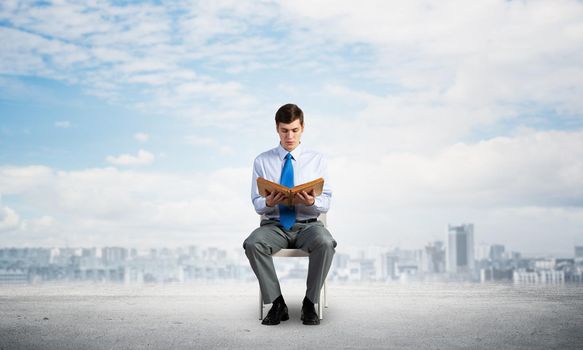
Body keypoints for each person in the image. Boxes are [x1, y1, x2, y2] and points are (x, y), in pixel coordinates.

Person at [243, 103, 337, 326]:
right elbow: (256, 203)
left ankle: (309, 303)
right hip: (274, 226)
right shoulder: (262, 161)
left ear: (302, 128)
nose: (289, 136)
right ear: (277, 129)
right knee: (252, 243)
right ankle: (276, 303)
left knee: (326, 242)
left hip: (309, 225)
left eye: (294, 130)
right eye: (284, 130)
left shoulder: (318, 160)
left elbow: (327, 201)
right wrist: (268, 201)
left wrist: (312, 201)